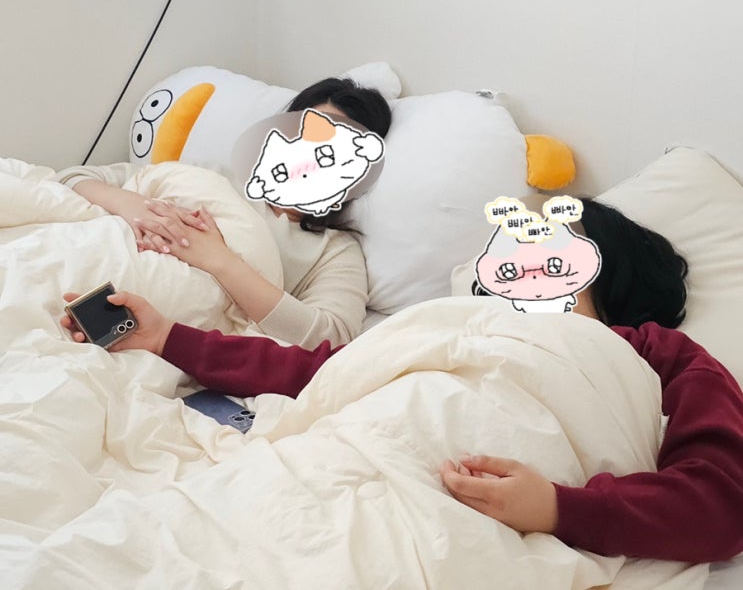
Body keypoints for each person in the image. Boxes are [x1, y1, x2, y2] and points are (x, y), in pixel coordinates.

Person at [60, 198, 743, 564]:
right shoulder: (459, 321)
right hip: (328, 470)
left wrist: (559, 509)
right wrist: (165, 337)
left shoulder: (660, 355)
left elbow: (721, 502)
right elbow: (327, 371)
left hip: (446, 515)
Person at [56, 77, 392, 350]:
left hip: (162, 324)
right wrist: (135, 208)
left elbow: (329, 338)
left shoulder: (333, 250)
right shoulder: (212, 177)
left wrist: (218, 260)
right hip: (85, 265)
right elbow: (71, 179)